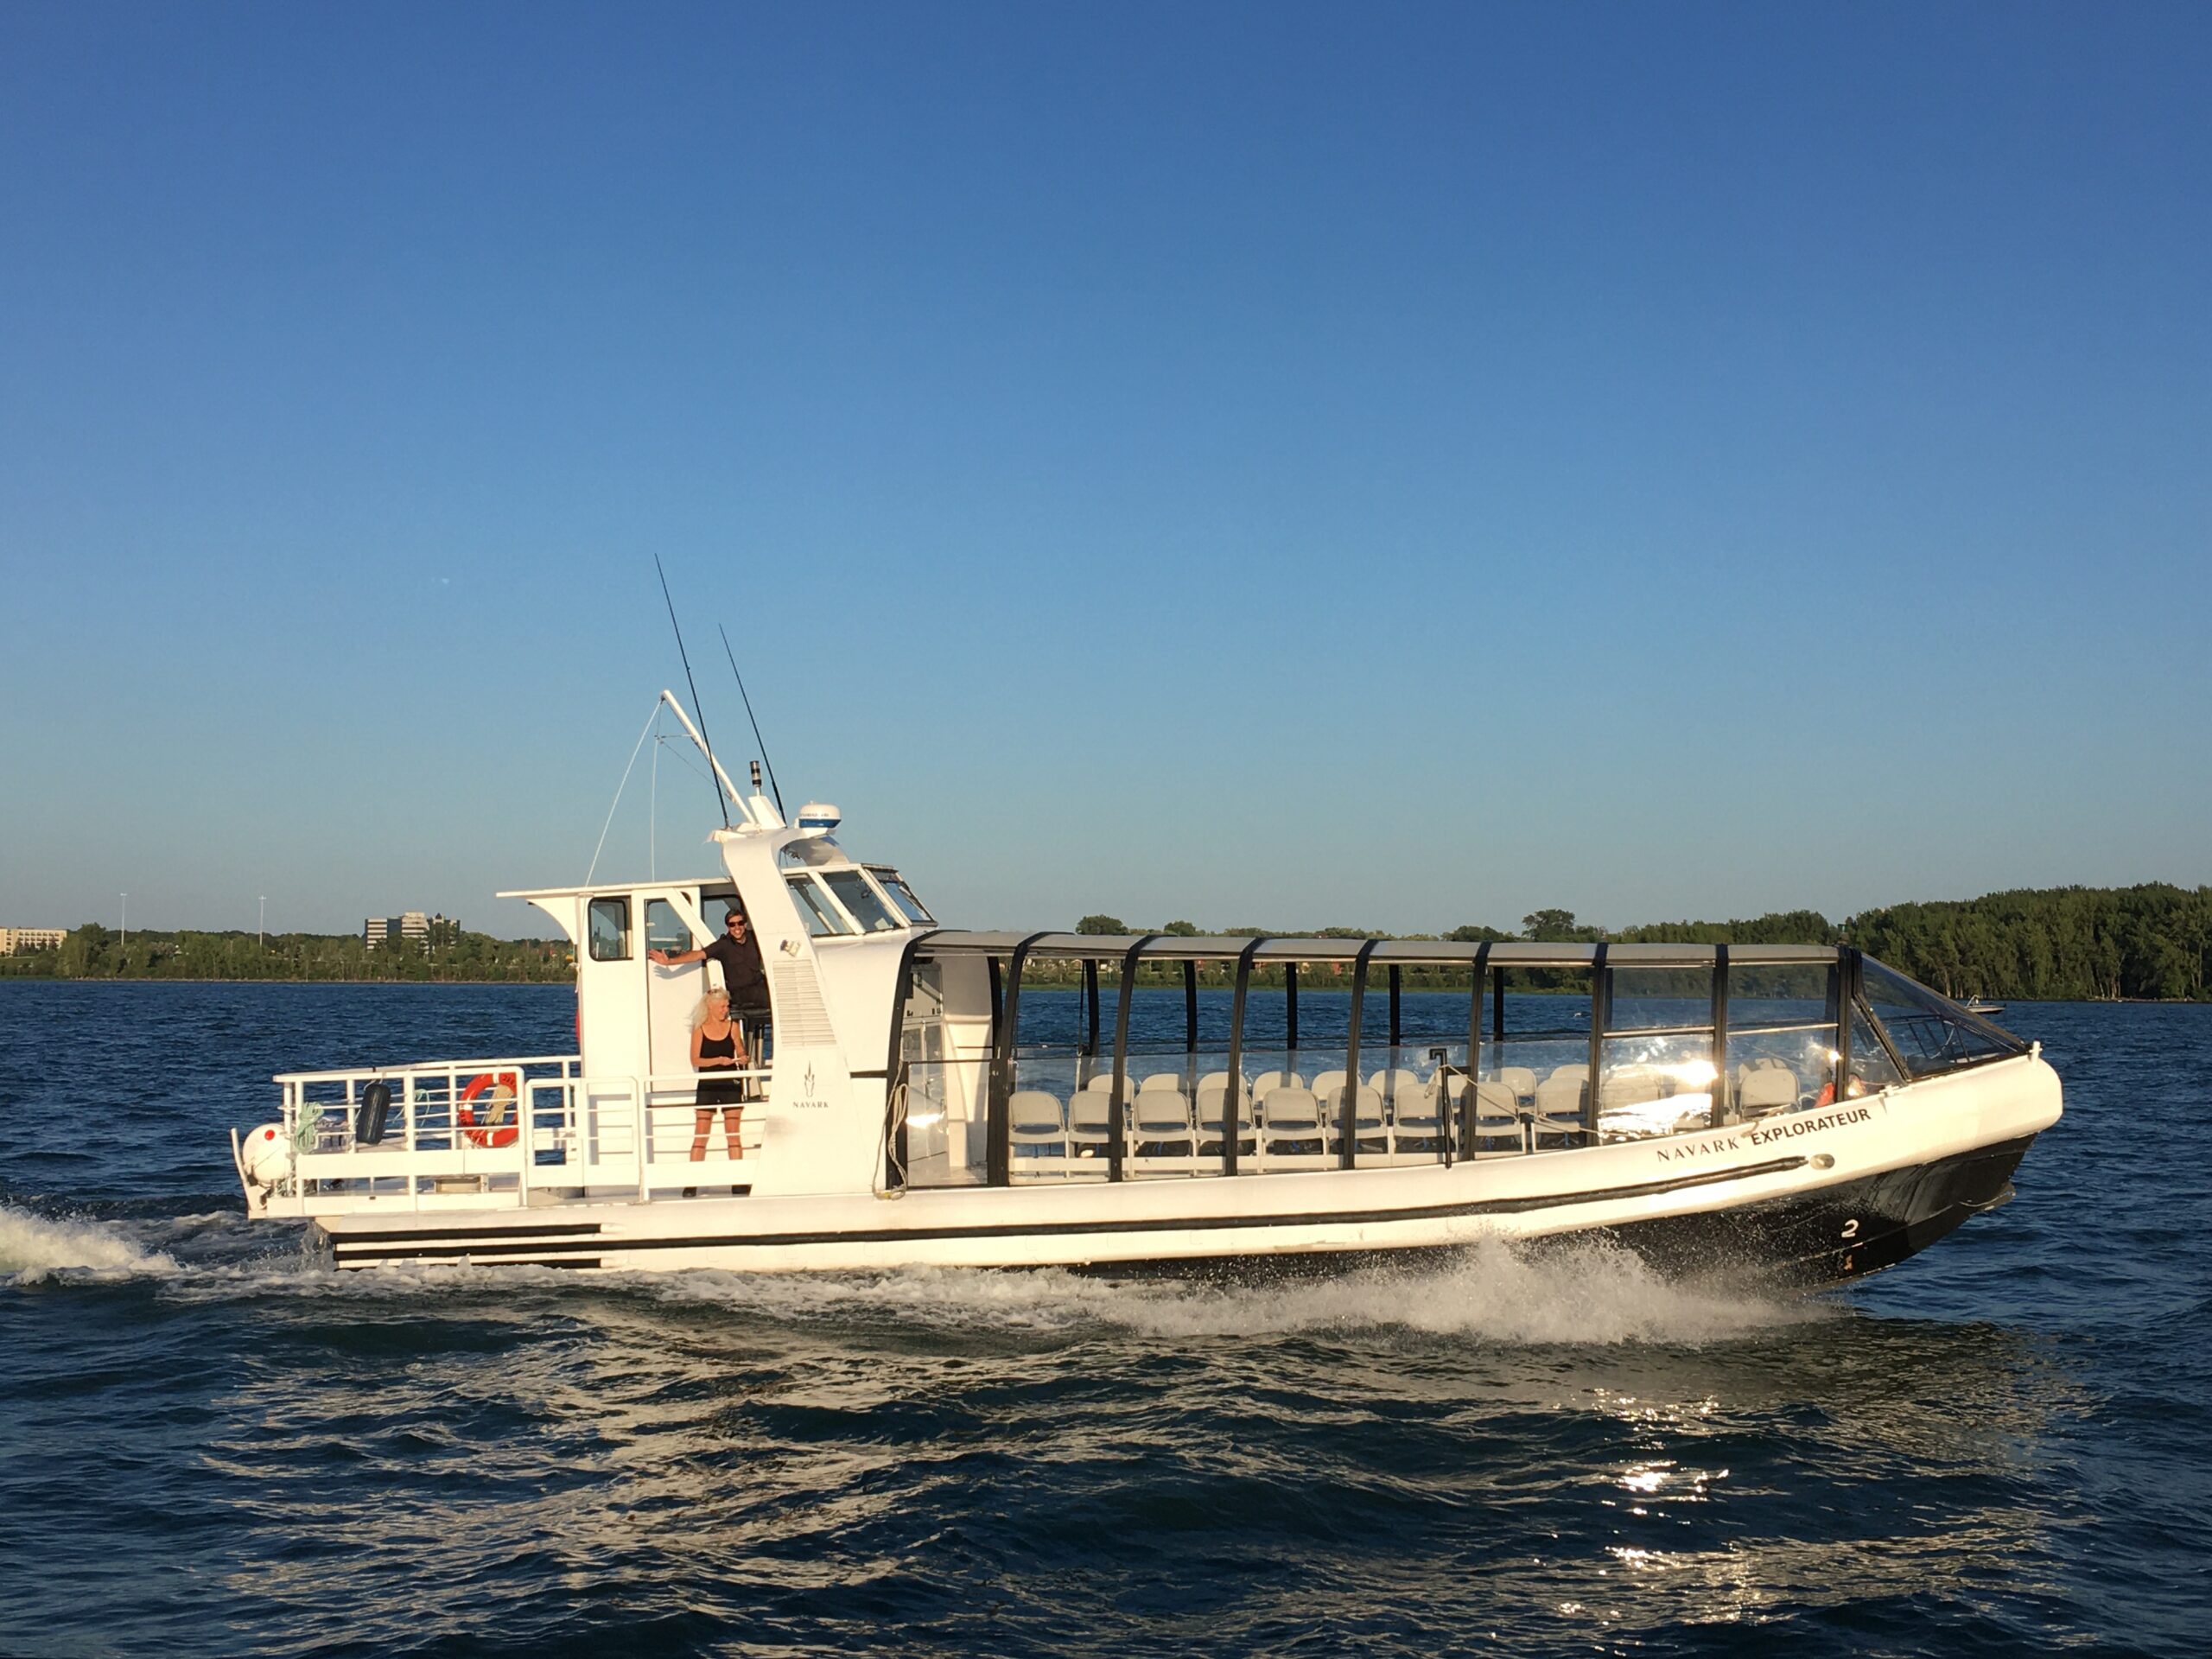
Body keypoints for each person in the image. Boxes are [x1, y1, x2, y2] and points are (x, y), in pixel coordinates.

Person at [650, 904, 771, 1071]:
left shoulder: (756, 939)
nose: (737, 928)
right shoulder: (723, 945)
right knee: (758, 1005)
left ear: (745, 924)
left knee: (783, 1000)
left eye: (740, 923)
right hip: (740, 993)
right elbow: (698, 954)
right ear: (728, 927)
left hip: (759, 986)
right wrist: (670, 961)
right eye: (732, 924)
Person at [684, 988, 747, 1197]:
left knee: (733, 1134)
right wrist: (718, 1061)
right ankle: (692, 1181)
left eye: (727, 1006)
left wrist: (742, 1056)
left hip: (730, 1082)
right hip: (708, 1084)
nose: (726, 1010)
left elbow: (739, 1048)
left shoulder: (733, 1027)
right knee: (701, 1134)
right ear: (711, 1007)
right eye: (722, 1006)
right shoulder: (699, 1028)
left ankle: (738, 1181)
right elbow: (695, 1060)